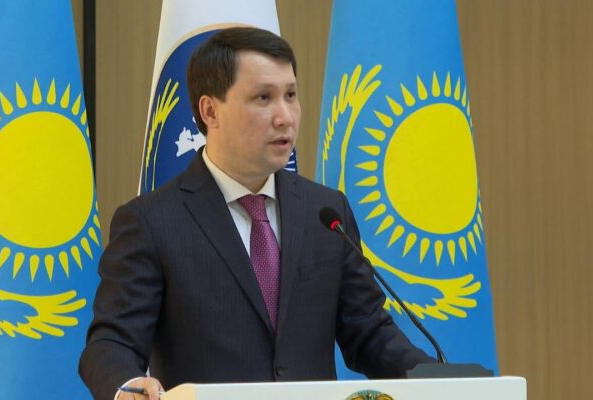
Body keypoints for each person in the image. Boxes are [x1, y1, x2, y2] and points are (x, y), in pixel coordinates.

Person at [79, 27, 434, 400]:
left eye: (291, 95)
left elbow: (369, 334)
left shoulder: (326, 212)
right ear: (210, 111)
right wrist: (126, 385)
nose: (285, 117)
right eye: (263, 98)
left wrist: (441, 382)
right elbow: (111, 342)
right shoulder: (152, 222)